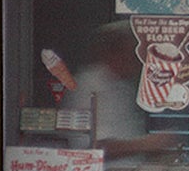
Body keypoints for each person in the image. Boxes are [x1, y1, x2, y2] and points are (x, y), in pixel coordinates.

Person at [70, 22, 177, 163]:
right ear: (113, 53)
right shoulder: (87, 85)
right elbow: (93, 147)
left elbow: (128, 136)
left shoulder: (125, 87)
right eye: (131, 53)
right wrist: (147, 144)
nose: (137, 60)